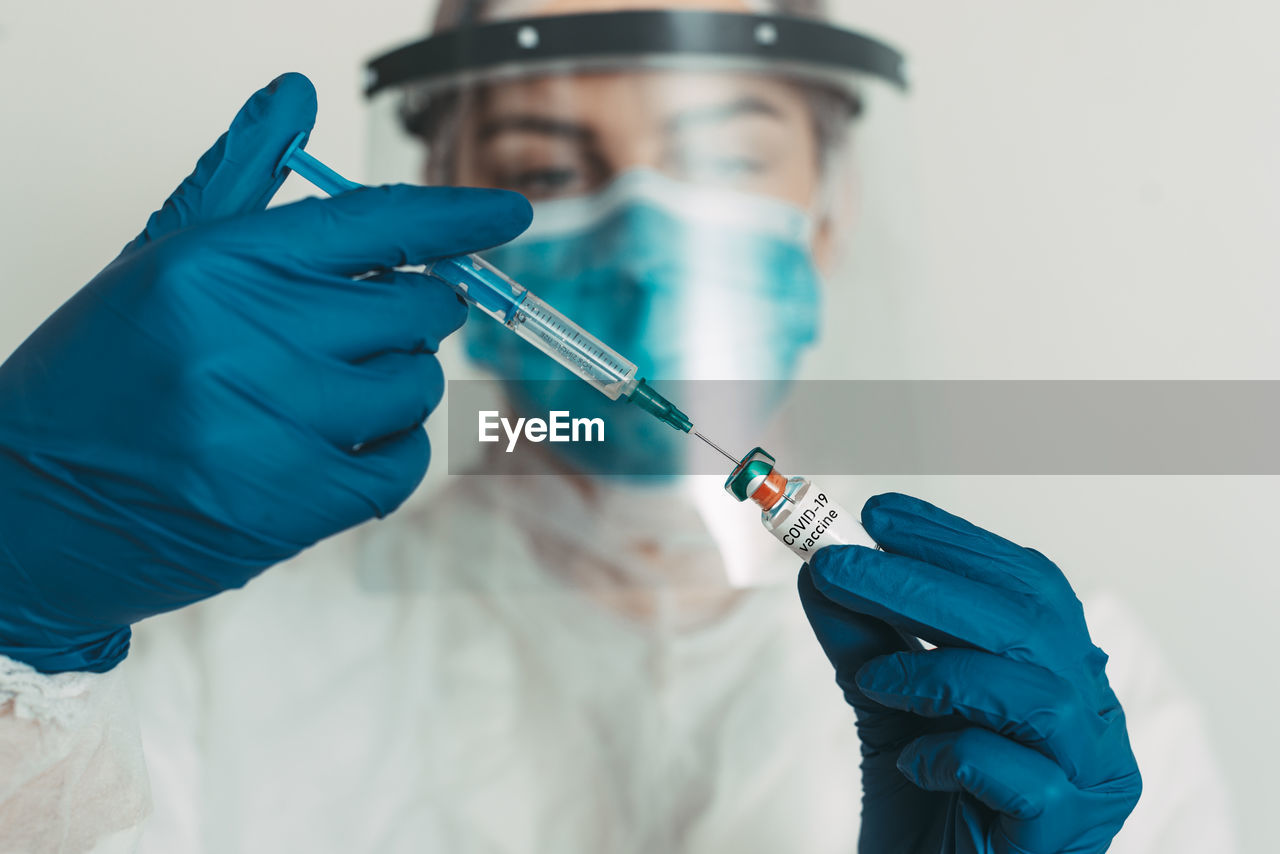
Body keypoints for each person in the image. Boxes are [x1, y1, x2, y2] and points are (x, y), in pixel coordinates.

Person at [0, 2, 1234, 853]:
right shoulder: (214, 647)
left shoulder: (1025, 699)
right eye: (545, 164)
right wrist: (14, 623)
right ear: (438, 226)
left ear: (833, 206)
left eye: (723, 160)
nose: (650, 237)